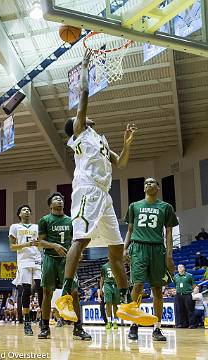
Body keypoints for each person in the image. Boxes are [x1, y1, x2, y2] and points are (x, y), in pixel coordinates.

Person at [55, 50, 155, 327]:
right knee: (82, 239)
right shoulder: (80, 132)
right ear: (75, 126)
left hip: (104, 193)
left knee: (115, 247)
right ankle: (64, 295)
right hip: (87, 189)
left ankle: (127, 304)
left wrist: (127, 143)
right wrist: (85, 66)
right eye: (82, 118)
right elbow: (84, 95)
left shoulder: (100, 140)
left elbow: (121, 164)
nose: (87, 117)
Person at [123, 177, 179, 341]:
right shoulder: (134, 206)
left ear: (158, 187)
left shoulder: (166, 207)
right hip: (138, 248)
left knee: (157, 289)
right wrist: (125, 248)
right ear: (144, 189)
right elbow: (129, 229)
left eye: (152, 182)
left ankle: (157, 328)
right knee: (138, 285)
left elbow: (168, 232)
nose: (148, 184)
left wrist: (169, 255)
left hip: (157, 249)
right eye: (146, 183)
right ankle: (134, 325)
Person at [38, 192, 91, 340]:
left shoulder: (71, 220)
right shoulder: (44, 220)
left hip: (67, 261)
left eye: (61, 199)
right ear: (50, 205)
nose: (59, 200)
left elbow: (77, 241)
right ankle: (44, 327)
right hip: (50, 259)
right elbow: (40, 242)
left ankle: (78, 328)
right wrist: (54, 245)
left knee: (74, 293)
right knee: (47, 293)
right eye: (56, 199)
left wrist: (79, 252)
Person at [9, 205, 43, 336]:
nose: (27, 211)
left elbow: (41, 243)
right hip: (23, 261)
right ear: (19, 214)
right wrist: (25, 244)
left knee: (41, 288)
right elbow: (12, 246)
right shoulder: (15, 227)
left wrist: (38, 244)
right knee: (26, 290)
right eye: (24, 209)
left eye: (28, 209)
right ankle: (27, 322)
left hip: (37, 259)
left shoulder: (36, 227)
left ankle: (43, 320)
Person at [98, 262, 120, 330]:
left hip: (116, 285)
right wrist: (101, 289)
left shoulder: (118, 265)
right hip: (107, 285)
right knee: (108, 303)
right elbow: (102, 278)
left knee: (115, 305)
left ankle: (115, 322)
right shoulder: (104, 266)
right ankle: (109, 322)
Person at [174, 264, 196, 328]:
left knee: (190, 310)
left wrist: (194, 291)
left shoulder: (189, 276)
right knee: (181, 310)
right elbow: (176, 285)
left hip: (187, 295)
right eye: (178, 267)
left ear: (184, 268)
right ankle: (183, 324)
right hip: (179, 295)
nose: (180, 268)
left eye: (181, 267)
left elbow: (193, 285)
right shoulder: (175, 277)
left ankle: (192, 324)